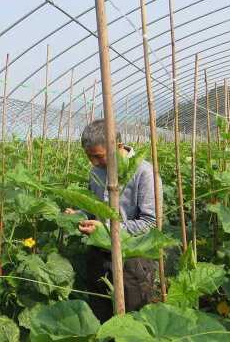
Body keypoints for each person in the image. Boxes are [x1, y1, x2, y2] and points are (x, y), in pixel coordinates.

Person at [69, 119, 160, 322]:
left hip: (131, 258)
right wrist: (79, 214)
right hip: (98, 254)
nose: (93, 162)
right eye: (89, 156)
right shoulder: (95, 172)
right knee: (100, 318)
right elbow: (94, 208)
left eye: (98, 156)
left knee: (133, 321)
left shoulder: (144, 173)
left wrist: (107, 228)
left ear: (117, 147)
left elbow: (149, 223)